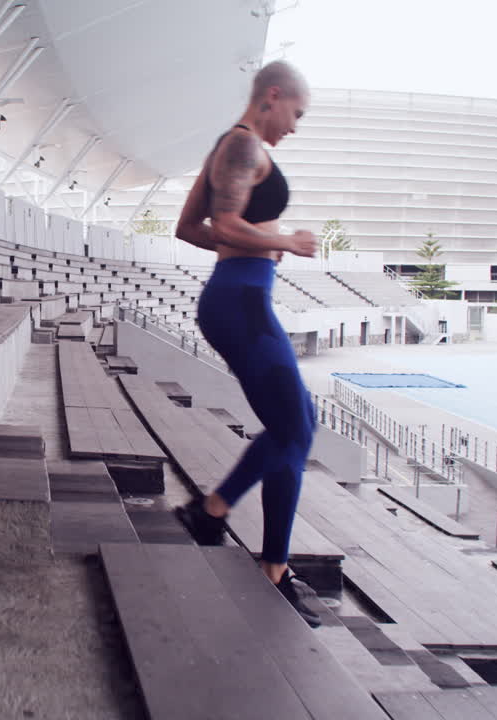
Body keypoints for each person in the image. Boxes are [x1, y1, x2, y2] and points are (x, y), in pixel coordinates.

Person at [172, 60, 323, 625]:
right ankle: (270, 567)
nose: (295, 127)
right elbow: (225, 221)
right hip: (240, 304)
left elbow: (190, 228)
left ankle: (213, 512)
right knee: (294, 428)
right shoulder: (242, 146)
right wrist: (284, 241)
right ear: (273, 96)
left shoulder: (230, 145)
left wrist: (257, 243)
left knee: (299, 420)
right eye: (296, 114)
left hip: (239, 297)